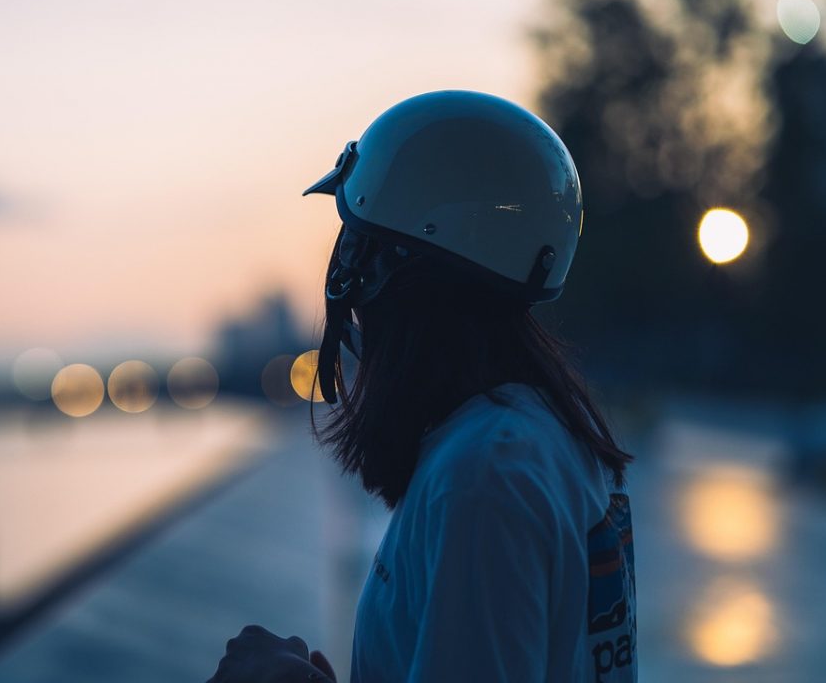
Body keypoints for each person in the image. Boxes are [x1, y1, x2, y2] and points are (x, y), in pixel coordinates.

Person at [208, 91, 637, 683]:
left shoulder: (487, 475)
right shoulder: (527, 438)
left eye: (361, 253)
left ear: (399, 272)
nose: (350, 292)